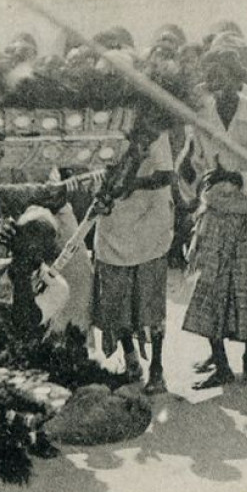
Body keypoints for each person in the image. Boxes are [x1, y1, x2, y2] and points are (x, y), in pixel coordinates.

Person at [181, 45, 247, 388]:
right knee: (210, 283)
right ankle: (221, 364)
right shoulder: (202, 114)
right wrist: (192, 180)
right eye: (211, 76)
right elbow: (195, 162)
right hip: (217, 208)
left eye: (223, 74)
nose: (216, 82)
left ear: (237, 77)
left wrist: (235, 178)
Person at [92, 120, 178, 395]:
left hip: (149, 219)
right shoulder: (102, 121)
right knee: (116, 296)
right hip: (113, 218)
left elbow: (166, 175)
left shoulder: (155, 128)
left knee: (150, 296)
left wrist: (132, 183)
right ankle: (130, 359)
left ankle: (157, 368)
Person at [0, 206, 71, 344]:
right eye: (25, 235)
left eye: (38, 240)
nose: (29, 245)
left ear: (47, 250)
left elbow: (25, 323)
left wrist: (22, 266)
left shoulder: (56, 286)